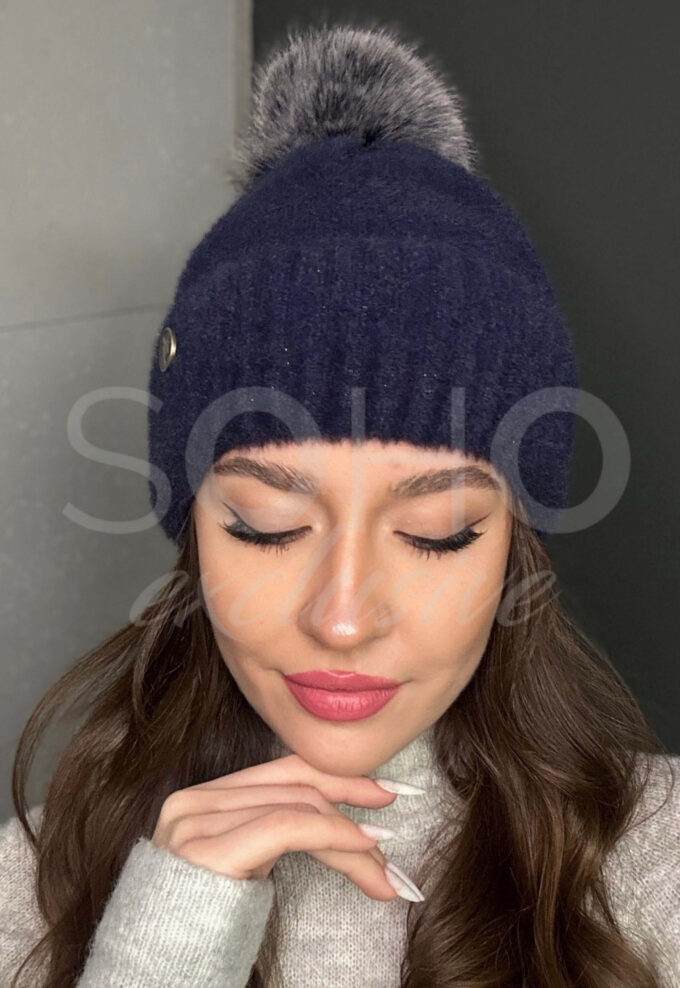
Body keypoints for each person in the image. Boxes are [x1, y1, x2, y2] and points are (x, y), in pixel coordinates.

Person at [1, 19, 678, 988]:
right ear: (192, 531)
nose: (344, 618)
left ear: (514, 547)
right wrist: (157, 954)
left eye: (436, 534)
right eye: (266, 527)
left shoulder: (657, 864)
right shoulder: (32, 881)